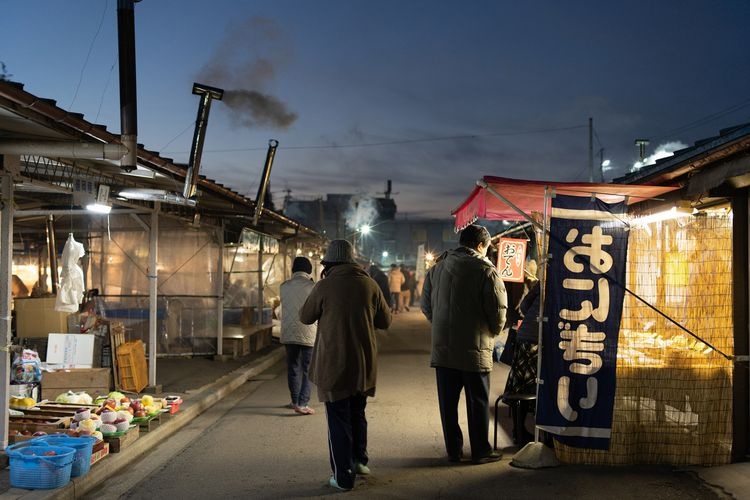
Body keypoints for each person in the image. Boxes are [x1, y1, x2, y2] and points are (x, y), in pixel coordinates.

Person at [300, 239, 392, 491]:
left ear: (329, 263)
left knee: (338, 418)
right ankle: (360, 461)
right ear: (352, 261)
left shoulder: (324, 286)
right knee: (357, 412)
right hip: (363, 363)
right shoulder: (370, 284)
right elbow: (385, 321)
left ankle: (343, 477)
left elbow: (305, 317)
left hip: (334, 363)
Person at [421, 224, 508, 464]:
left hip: (443, 350)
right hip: (475, 349)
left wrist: (440, 326)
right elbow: (498, 312)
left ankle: (454, 451)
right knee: (477, 401)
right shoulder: (485, 269)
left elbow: (426, 305)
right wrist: (492, 332)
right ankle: (480, 451)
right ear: (481, 245)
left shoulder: (436, 269)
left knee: (447, 404)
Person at [503, 274, 540, 445]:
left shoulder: (543, 282)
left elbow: (524, 307)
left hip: (524, 336)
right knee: (531, 387)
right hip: (538, 339)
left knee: (521, 385)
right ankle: (525, 432)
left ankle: (518, 430)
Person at [279, 256, 317, 415]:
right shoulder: (314, 287)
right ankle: (302, 403)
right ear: (309, 270)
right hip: (309, 331)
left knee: (292, 367)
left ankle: (294, 401)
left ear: (293, 269)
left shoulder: (284, 286)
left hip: (289, 332)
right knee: (308, 369)